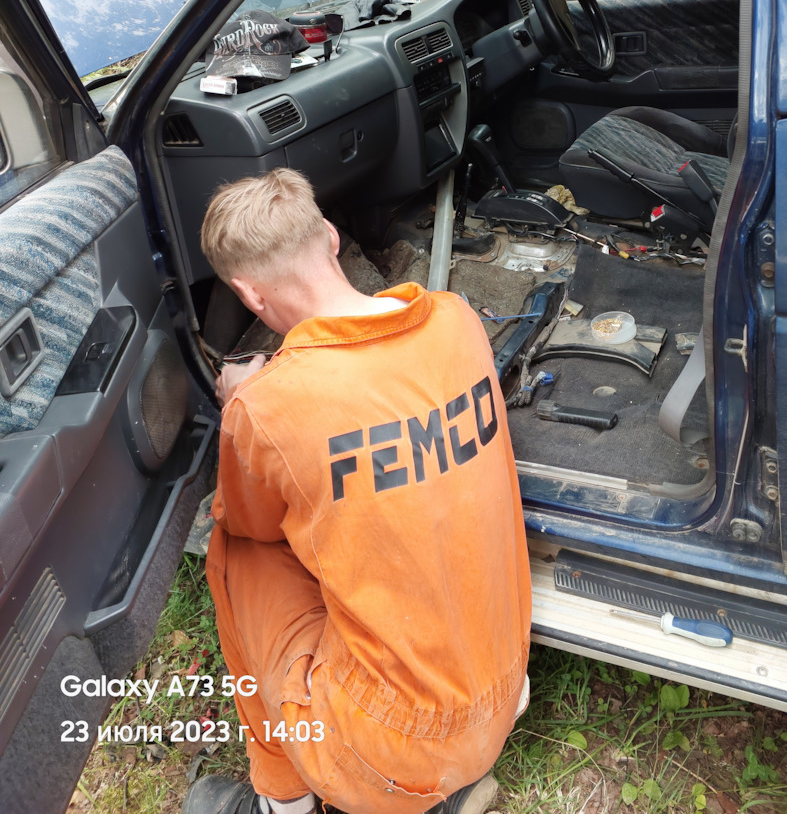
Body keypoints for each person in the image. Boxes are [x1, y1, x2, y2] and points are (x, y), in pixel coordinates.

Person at [183, 168, 532, 814]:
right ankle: (447, 775)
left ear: (249, 295)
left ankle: (282, 802)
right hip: (504, 691)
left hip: (389, 751)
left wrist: (242, 403)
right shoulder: (456, 319)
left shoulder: (268, 407)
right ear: (330, 237)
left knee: (236, 552)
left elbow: (255, 527)